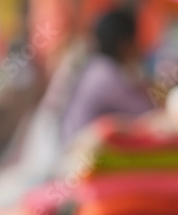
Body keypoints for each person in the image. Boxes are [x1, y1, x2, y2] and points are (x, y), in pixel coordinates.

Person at [60, 8, 154, 143]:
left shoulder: (97, 67)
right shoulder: (106, 75)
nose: (139, 47)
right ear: (124, 43)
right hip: (81, 154)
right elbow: (145, 112)